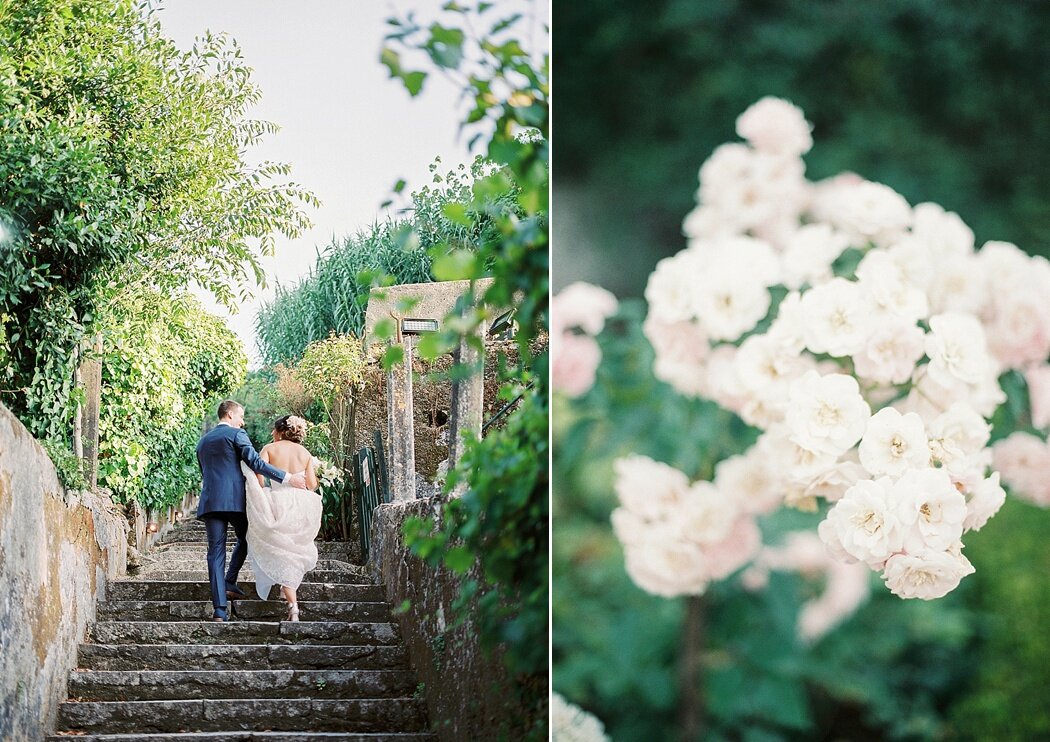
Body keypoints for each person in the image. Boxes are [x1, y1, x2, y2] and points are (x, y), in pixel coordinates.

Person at [196, 400, 307, 622]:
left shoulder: (203, 441)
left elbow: (205, 471)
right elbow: (255, 463)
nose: (242, 421)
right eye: (240, 416)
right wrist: (287, 478)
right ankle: (229, 579)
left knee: (215, 552)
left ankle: (219, 610)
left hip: (210, 502)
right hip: (236, 501)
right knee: (248, 538)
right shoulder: (237, 435)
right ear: (229, 415)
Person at [242, 414, 322, 621]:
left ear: (280, 431)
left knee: (282, 549)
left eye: (273, 430)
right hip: (301, 504)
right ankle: (290, 598)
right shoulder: (305, 453)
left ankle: (292, 604)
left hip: (278, 502)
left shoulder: (269, 449)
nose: (271, 433)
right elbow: (312, 485)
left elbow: (259, 481)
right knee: (293, 550)